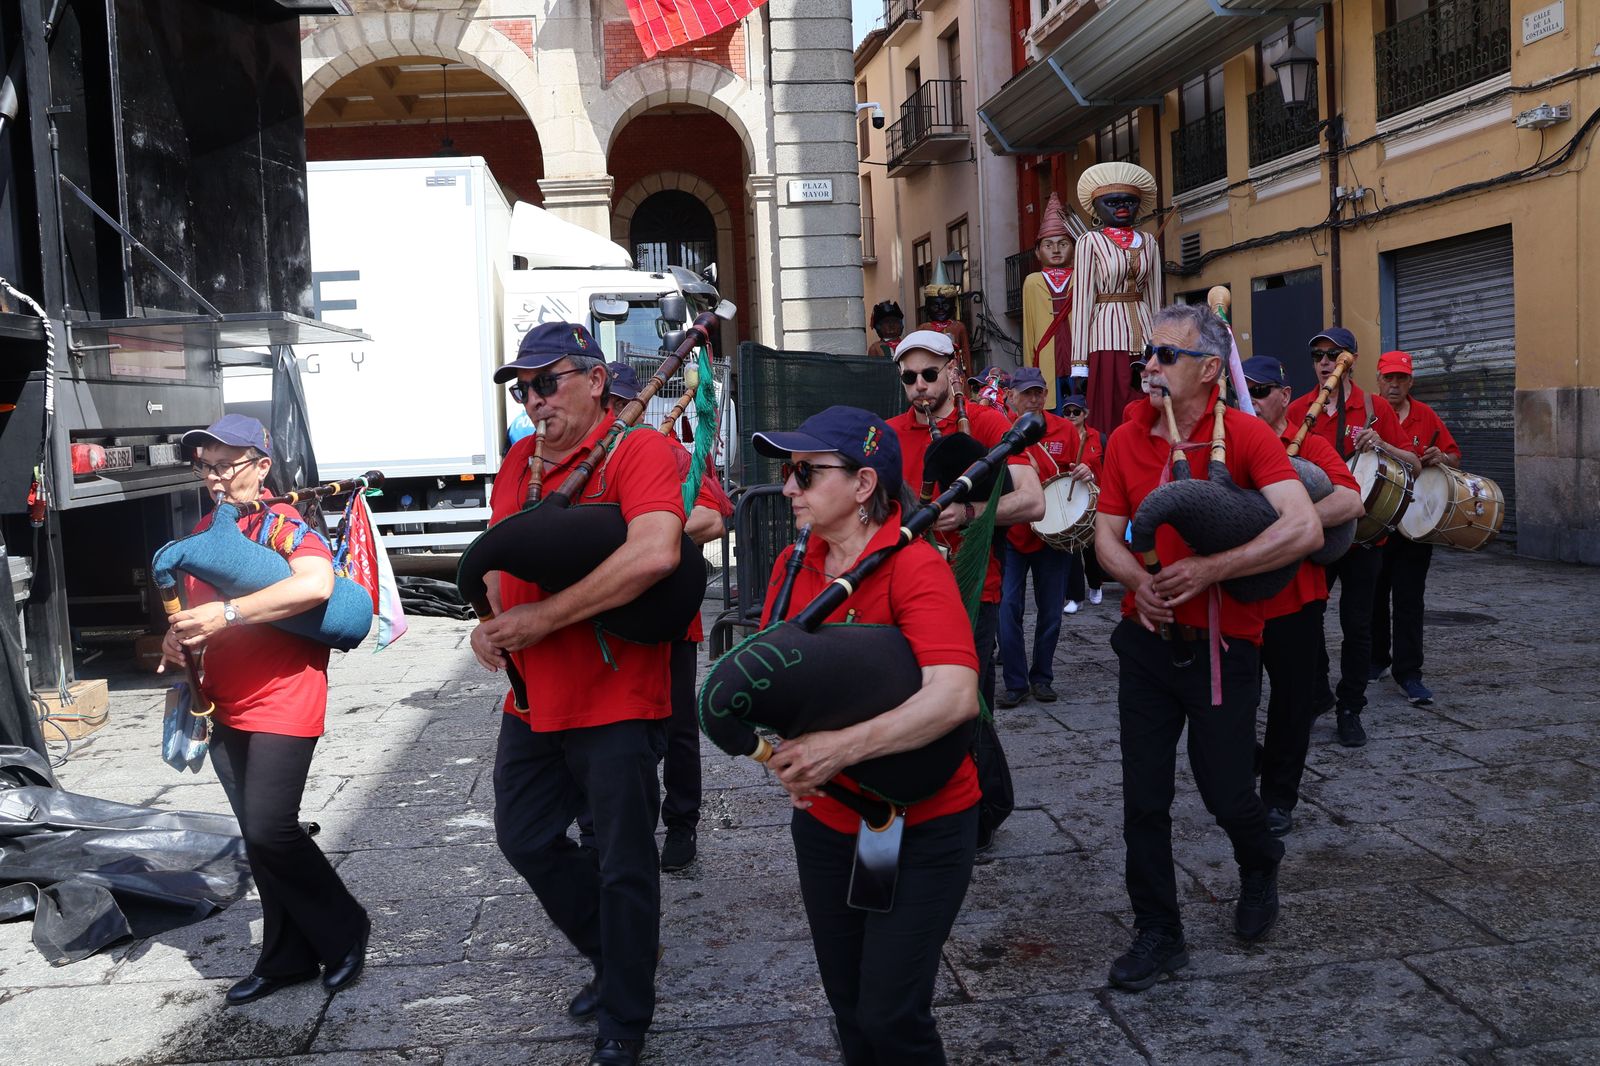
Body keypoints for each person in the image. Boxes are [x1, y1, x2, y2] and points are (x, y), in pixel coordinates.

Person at [472, 323, 686, 1066]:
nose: (532, 399)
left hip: (619, 696)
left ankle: (626, 1014)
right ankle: (622, 952)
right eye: (521, 386)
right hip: (532, 698)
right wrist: (495, 623)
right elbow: (499, 554)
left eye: (546, 381)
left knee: (624, 861)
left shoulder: (644, 451)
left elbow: (657, 551)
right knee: (524, 838)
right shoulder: (519, 460)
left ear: (596, 380)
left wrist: (546, 617)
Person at [1093, 305, 1321, 990]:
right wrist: (1142, 581)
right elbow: (1104, 534)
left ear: (1211, 370)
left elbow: (1305, 527)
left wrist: (1212, 570)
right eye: (1148, 354)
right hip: (1146, 646)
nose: (1150, 366)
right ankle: (1159, 932)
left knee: (1227, 794)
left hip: (1226, 649)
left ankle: (1260, 860)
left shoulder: (1248, 437)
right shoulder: (1123, 442)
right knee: (1144, 800)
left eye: (1166, 355)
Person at [752, 405, 981, 1065]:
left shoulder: (913, 567)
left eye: (805, 471)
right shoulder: (794, 567)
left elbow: (955, 694)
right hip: (829, 822)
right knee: (851, 1008)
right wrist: (788, 754)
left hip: (924, 823)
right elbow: (773, 681)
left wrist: (838, 749)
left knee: (891, 1015)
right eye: (788, 472)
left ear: (861, 486)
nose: (788, 486)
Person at [159, 414, 368, 1006]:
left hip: (284, 694)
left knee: (273, 830)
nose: (217, 478)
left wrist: (225, 615)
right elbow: (193, 611)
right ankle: (285, 957)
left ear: (261, 466)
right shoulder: (207, 527)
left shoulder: (281, 524)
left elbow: (315, 585)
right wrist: (179, 638)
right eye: (206, 467)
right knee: (258, 837)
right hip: (223, 702)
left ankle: (345, 928)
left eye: (228, 465)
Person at [604, 362, 734, 872]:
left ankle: (682, 823)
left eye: (622, 403)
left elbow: (712, 517)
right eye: (609, 404)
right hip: (607, 619)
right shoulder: (584, 462)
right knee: (617, 729)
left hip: (671, 616)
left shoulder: (670, 454)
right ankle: (612, 825)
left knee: (678, 726)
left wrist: (650, 529)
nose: (616, 413)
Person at [886, 330, 1044, 715]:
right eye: (909, 377)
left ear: (952, 370)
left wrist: (967, 513)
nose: (919, 384)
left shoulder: (986, 422)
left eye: (929, 373)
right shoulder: (889, 433)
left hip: (973, 585)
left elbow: (1033, 501)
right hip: (906, 585)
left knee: (968, 699)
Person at [1242, 357, 1364, 836]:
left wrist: (1292, 515)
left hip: (1296, 598)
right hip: (1237, 596)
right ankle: (1246, 762)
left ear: (1285, 395)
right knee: (1232, 700)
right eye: (1243, 388)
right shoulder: (1223, 446)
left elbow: (1351, 500)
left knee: (1291, 703)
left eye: (1262, 388)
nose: (1251, 396)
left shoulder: (1309, 443)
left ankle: (1278, 797)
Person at [1284, 327, 1419, 748]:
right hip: (1319, 531)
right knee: (1306, 619)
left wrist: (1383, 445)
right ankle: (1319, 692)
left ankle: (1350, 706)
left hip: (1364, 538)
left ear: (1351, 359)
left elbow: (1413, 464)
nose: (1325, 361)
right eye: (1318, 355)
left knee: (1357, 626)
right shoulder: (1302, 409)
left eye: (1333, 353)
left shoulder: (1376, 408)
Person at [996, 367, 1092, 708]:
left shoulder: (1065, 430)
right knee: (1007, 609)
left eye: (1039, 392)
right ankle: (1015, 682)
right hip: (1012, 533)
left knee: (1051, 611)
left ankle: (1043, 677)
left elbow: (1076, 478)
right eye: (1026, 393)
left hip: (1053, 537)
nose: (1034, 399)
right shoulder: (999, 429)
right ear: (1011, 396)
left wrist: (1084, 471)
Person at [1371, 349, 1460, 706]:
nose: (1394, 385)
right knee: (1373, 597)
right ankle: (1376, 659)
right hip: (1377, 520)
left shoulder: (1426, 415)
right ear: (1378, 379)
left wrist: (1442, 457)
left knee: (1409, 600)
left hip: (1416, 522)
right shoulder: (1368, 414)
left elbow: (1454, 455)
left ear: (1411, 381)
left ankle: (1409, 674)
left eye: (1401, 379)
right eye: (1388, 378)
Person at [1072, 162, 1162, 438]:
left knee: (1150, 410)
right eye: (1112, 201)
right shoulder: (1089, 242)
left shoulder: (1150, 242)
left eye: (1129, 201)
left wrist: (1160, 346)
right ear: (1097, 206)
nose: (1122, 206)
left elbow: (1156, 297)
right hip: (1105, 341)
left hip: (1145, 338)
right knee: (1110, 419)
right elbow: (1082, 302)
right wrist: (1079, 364)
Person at [1021, 191, 1076, 411]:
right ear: (1037, 252)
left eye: (1062, 243)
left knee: (1078, 403)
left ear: (1073, 247)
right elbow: (1028, 331)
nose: (1055, 249)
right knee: (1050, 407)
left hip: (1077, 356)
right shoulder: (1033, 281)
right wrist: (1029, 372)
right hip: (1045, 357)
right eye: (1048, 244)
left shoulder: (1081, 277)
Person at [1061, 394, 1107, 610]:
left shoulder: (1099, 438)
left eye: (1075, 412)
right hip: (1069, 496)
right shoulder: (1062, 435)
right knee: (1071, 547)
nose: (1071, 416)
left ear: (1085, 414)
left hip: (1094, 496)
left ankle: (1096, 584)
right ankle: (1075, 596)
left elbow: (1107, 469)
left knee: (1091, 547)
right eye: (1067, 412)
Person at [916, 261, 972, 381]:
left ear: (953, 307)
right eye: (935, 305)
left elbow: (966, 355)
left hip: (956, 376)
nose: (941, 309)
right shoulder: (924, 328)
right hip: (932, 375)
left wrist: (970, 378)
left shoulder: (958, 327)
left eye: (945, 305)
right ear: (927, 308)